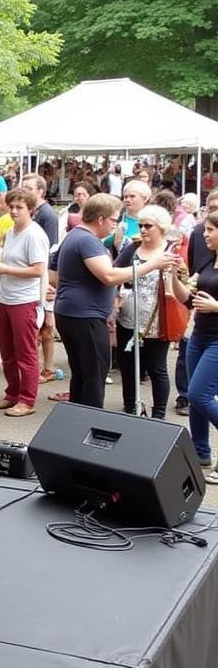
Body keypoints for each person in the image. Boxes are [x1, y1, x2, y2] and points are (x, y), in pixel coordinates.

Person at [51, 193, 174, 410]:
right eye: (114, 220)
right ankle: (88, 423)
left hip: (74, 313)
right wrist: (152, 265)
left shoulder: (76, 236)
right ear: (101, 219)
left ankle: (77, 420)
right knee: (94, 375)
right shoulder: (87, 240)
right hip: (84, 316)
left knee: (82, 373)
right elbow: (109, 276)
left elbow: (57, 274)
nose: (115, 226)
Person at [113, 205, 183, 419]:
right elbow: (116, 272)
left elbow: (184, 285)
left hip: (157, 320)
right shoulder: (132, 248)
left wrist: (173, 274)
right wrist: (117, 297)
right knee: (128, 366)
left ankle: (159, 414)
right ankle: (131, 406)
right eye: (141, 225)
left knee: (156, 368)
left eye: (148, 226)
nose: (143, 230)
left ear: (160, 228)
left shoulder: (171, 251)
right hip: (128, 317)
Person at [0, 190, 49, 418]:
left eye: (19, 207)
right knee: (8, 352)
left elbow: (38, 270)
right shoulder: (11, 232)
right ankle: (12, 393)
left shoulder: (34, 234)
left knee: (26, 353)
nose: (13, 211)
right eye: (11, 207)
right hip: (7, 297)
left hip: (25, 300)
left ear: (30, 209)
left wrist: (4, 268)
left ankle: (27, 399)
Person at [183, 212, 218, 480]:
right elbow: (186, 296)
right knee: (195, 401)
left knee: (198, 394)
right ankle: (200, 452)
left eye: (209, 230)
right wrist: (174, 276)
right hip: (199, 336)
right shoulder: (208, 260)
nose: (204, 234)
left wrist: (215, 306)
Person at [20, 173, 60, 387]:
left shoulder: (47, 215)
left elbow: (50, 251)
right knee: (39, 327)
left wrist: (48, 282)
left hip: (42, 278)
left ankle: (47, 368)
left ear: (40, 192)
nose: (24, 191)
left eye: (28, 188)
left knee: (45, 326)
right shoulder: (35, 212)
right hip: (35, 278)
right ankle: (41, 368)